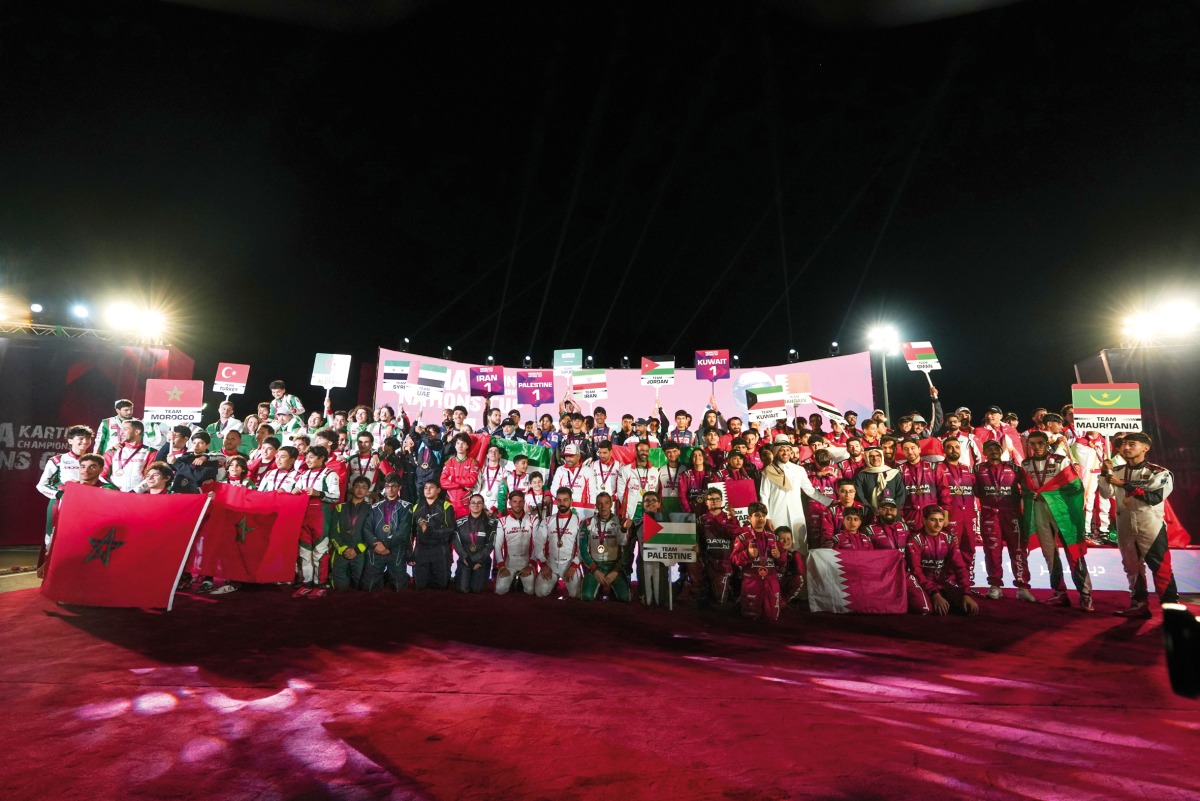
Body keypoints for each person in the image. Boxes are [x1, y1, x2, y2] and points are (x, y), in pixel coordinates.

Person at [1099, 431, 1179, 618]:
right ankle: (1139, 604)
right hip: (1125, 525)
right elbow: (1105, 494)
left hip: (1150, 525)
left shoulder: (1159, 472)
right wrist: (1105, 473)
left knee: (1160, 567)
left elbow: (1153, 497)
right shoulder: (1116, 470)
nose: (1125, 448)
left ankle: (1172, 609)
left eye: (1131, 444)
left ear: (1145, 448)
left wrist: (1123, 484)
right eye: (1124, 444)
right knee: (1131, 567)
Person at [1020, 431, 1093, 611]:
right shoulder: (1026, 464)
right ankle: (1060, 593)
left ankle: (1085, 595)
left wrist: (1048, 493)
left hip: (1061, 511)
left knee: (1073, 551)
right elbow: (1025, 488)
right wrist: (1033, 494)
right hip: (1039, 511)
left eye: (1040, 443)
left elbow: (1076, 487)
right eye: (1033, 444)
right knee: (1049, 553)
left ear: (1047, 443)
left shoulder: (1060, 460)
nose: (1036, 447)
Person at [974, 440, 1034, 601]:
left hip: (1012, 515)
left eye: (996, 448)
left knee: (1018, 551)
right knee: (992, 552)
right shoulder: (978, 469)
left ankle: (1022, 588)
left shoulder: (1014, 468)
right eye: (989, 449)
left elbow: (1029, 487)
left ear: (1001, 451)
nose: (993, 451)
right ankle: (995, 586)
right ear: (984, 453)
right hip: (990, 516)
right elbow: (975, 491)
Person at [759, 437, 833, 553]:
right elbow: (764, 495)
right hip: (777, 515)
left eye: (788, 450)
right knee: (779, 547)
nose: (785, 453)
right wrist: (767, 518)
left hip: (797, 515)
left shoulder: (798, 470)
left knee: (800, 547)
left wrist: (830, 502)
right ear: (776, 451)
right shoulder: (768, 471)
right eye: (782, 450)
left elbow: (810, 491)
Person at [905, 506, 979, 616]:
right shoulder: (915, 539)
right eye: (933, 520)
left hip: (942, 583)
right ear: (924, 521)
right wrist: (934, 593)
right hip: (921, 583)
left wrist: (966, 593)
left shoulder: (948, 538)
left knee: (967, 608)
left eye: (940, 520)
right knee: (925, 609)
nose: (938, 524)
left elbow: (960, 567)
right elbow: (916, 571)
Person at [290, 445, 340, 598]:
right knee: (304, 552)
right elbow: (295, 492)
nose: (308, 460)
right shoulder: (303, 475)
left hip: (320, 516)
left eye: (311, 457)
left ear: (322, 458)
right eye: (307, 457)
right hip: (303, 515)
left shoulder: (330, 474)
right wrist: (294, 492)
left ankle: (321, 584)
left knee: (320, 551)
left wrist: (319, 493)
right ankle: (307, 583)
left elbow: (336, 496)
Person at [936, 436, 980, 583]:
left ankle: (966, 581)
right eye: (949, 447)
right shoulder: (939, 468)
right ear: (944, 450)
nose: (953, 450)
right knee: (952, 550)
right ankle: (949, 581)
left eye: (956, 447)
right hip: (951, 515)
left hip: (968, 515)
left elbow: (976, 489)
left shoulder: (967, 469)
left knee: (969, 549)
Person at [361, 474, 414, 592]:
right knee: (368, 587)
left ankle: (396, 575)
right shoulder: (375, 507)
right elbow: (367, 528)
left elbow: (403, 531)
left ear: (399, 487)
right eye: (387, 486)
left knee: (399, 588)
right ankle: (384, 577)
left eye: (394, 486)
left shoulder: (406, 506)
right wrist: (376, 543)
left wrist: (385, 545)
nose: (390, 489)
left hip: (395, 549)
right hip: (376, 548)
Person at [730, 502, 781, 621]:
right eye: (757, 515)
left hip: (770, 580)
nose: (761, 518)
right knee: (749, 618)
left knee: (772, 617)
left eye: (763, 515)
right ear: (749, 518)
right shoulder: (743, 538)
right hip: (751, 581)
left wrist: (779, 556)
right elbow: (733, 559)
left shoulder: (773, 537)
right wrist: (747, 554)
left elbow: (782, 562)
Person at [533, 488, 583, 598]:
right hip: (551, 564)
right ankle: (553, 582)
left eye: (565, 500)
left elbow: (582, 547)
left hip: (569, 564)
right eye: (559, 500)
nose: (562, 503)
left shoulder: (579, 522)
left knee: (577, 594)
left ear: (571, 501)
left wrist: (574, 565)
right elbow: (538, 544)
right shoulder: (547, 521)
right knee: (540, 592)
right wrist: (543, 565)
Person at [579, 492, 629, 602]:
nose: (603, 507)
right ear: (596, 505)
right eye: (600, 504)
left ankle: (609, 586)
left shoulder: (620, 522)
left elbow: (627, 550)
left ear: (611, 504)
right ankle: (599, 585)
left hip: (613, 566)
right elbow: (582, 549)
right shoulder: (587, 523)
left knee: (626, 598)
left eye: (606, 503)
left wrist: (616, 570)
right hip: (596, 565)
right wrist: (595, 570)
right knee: (586, 597)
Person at [695, 488, 740, 605]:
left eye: (717, 499)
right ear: (706, 502)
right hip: (709, 559)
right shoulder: (701, 519)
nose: (714, 501)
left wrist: (732, 520)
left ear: (721, 501)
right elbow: (697, 539)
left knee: (721, 600)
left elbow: (735, 535)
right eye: (711, 499)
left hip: (727, 560)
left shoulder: (730, 517)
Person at [412, 479, 457, 589]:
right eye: (426, 488)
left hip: (439, 548)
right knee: (420, 585)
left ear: (438, 490)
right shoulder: (416, 507)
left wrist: (430, 531)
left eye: (431, 487)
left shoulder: (446, 506)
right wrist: (410, 554)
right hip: (421, 548)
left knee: (442, 585)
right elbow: (411, 532)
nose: (428, 490)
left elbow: (451, 529)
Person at [331, 476, 373, 590]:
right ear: (352, 488)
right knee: (340, 588)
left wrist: (357, 550)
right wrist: (343, 549)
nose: (360, 490)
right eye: (357, 486)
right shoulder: (340, 508)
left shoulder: (371, 509)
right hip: (342, 551)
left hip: (360, 553)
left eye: (364, 487)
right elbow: (333, 532)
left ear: (368, 491)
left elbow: (372, 534)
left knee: (360, 586)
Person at [494, 490, 537, 595]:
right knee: (500, 590)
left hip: (526, 561)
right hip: (509, 562)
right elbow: (497, 546)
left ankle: (521, 581)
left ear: (524, 502)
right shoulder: (502, 521)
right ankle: (512, 579)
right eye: (514, 501)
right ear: (510, 503)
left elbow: (538, 544)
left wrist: (531, 565)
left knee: (530, 591)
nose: (517, 505)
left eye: (520, 501)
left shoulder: (533, 520)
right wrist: (502, 566)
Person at [452, 494, 496, 593]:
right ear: (469, 505)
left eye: (479, 503)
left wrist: (478, 560)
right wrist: (466, 558)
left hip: (481, 561)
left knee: (477, 589)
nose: (476, 505)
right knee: (463, 589)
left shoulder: (491, 523)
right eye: (473, 502)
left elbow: (490, 545)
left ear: (483, 505)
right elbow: (456, 543)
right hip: (465, 560)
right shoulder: (459, 522)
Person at [101, 419, 157, 492]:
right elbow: (102, 475)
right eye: (121, 430)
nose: (121, 433)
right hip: (114, 495)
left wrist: (136, 491)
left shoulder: (151, 452)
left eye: (125, 429)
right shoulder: (112, 451)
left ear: (137, 432)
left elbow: (152, 476)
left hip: (139, 496)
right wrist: (112, 489)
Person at [853, 445, 906, 515]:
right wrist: (873, 511)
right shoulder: (861, 475)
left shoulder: (894, 473)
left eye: (878, 455)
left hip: (892, 515)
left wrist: (893, 511)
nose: (875, 458)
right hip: (869, 514)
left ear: (882, 456)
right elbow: (860, 496)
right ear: (866, 458)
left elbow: (901, 495)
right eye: (871, 456)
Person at [439, 432, 480, 518]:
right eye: (458, 443)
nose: (460, 446)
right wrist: (462, 486)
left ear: (467, 446)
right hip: (450, 502)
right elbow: (442, 483)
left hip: (465, 503)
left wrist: (452, 478)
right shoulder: (449, 463)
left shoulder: (473, 462)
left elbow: (471, 482)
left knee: (464, 529)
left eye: (463, 443)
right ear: (454, 445)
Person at [550, 443, 594, 507]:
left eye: (571, 456)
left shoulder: (588, 470)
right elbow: (554, 489)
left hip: (582, 509)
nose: (568, 459)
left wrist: (590, 510)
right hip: (564, 507)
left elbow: (592, 493)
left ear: (578, 456)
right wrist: (564, 501)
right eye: (566, 456)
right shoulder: (560, 470)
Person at [678, 448, 711, 514]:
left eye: (700, 455)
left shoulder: (711, 474)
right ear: (692, 460)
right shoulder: (685, 475)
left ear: (704, 458)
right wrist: (688, 512)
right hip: (691, 511)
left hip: (708, 512)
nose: (697, 457)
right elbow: (682, 495)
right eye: (694, 455)